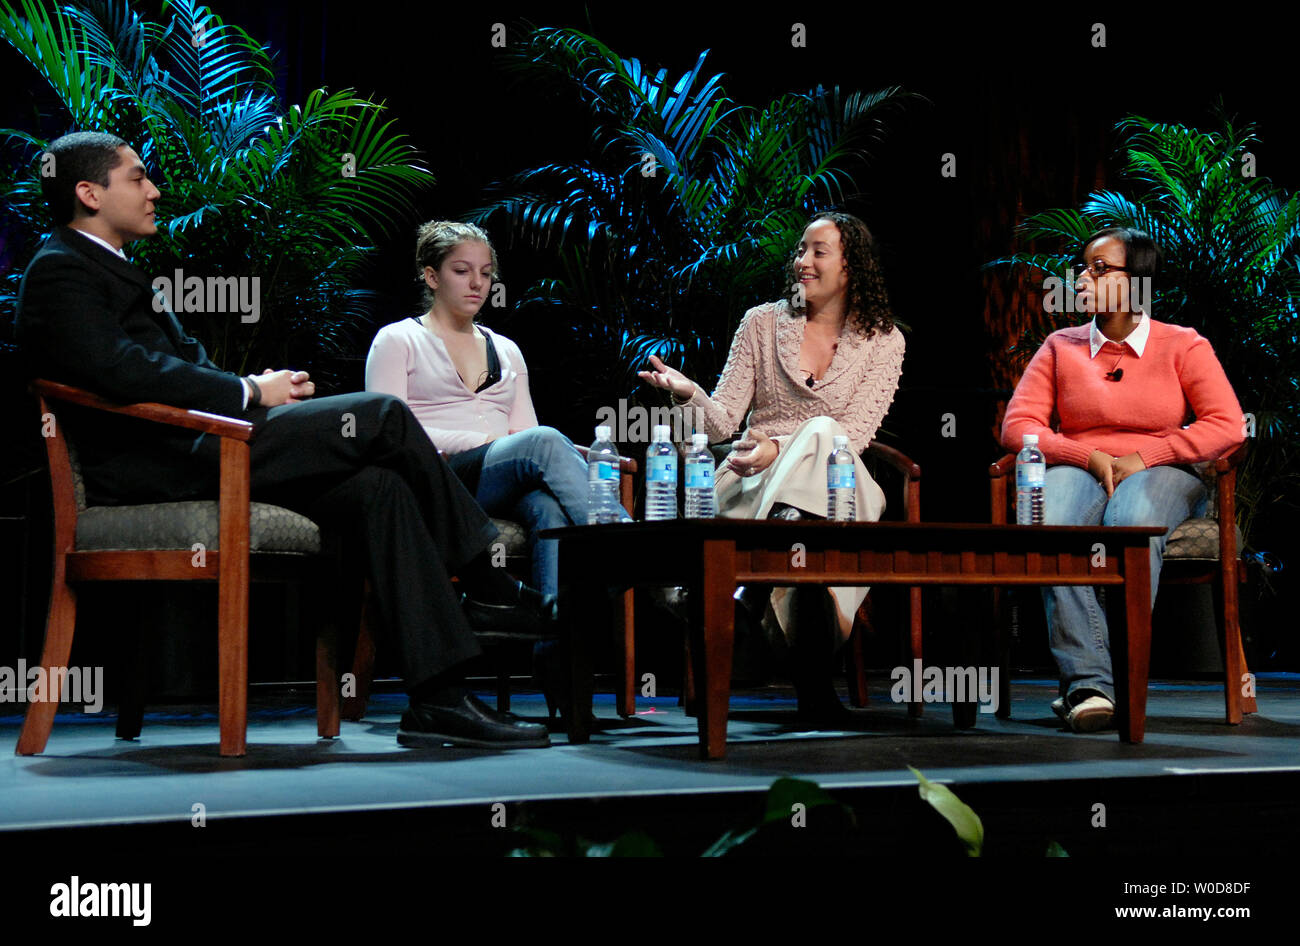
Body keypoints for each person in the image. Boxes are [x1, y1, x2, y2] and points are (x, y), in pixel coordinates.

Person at [14, 131, 553, 750]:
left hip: (205, 445)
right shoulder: (60, 270)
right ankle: (488, 582)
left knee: (379, 489)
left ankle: (439, 697)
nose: (154, 189)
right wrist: (248, 391)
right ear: (88, 192)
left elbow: (166, 368)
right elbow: (119, 371)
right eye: (137, 177)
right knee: (383, 415)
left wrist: (258, 389)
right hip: (166, 464)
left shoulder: (112, 269)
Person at [638, 211, 906, 724]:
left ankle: (752, 587)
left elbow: (853, 435)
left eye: (817, 252)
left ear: (850, 268)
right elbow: (721, 427)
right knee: (811, 516)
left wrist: (777, 447)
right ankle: (814, 690)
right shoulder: (762, 323)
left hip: (839, 484)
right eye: (800, 250)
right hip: (752, 485)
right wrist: (688, 392)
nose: (801, 261)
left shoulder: (883, 341)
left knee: (826, 433)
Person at [1001, 226, 1245, 733]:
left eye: (1099, 268)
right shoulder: (1060, 346)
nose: (1082, 278)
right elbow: (1018, 426)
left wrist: (1149, 453)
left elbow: (1227, 425)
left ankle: (1123, 682)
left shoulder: (1182, 345)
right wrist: (1082, 453)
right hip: (1080, 466)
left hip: (1165, 472)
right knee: (1057, 523)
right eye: (1082, 267)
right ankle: (1090, 684)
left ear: (1137, 281)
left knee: (1130, 517)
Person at [365, 221, 598, 605]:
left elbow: (525, 432)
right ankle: (627, 546)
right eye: (461, 271)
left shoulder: (506, 349)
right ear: (431, 276)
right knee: (545, 442)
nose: (477, 283)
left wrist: (503, 447)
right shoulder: (398, 339)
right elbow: (388, 433)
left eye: (486, 274)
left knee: (548, 508)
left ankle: (550, 643)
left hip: (498, 478)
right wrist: (486, 443)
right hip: (438, 477)